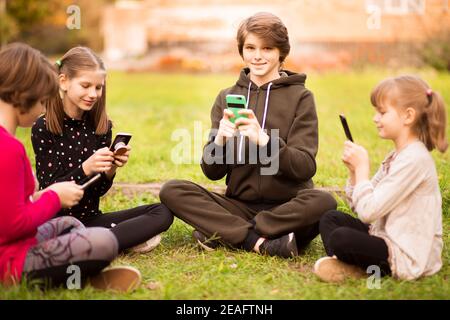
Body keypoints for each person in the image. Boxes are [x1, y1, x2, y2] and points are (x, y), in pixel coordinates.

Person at [160, 12, 337, 258]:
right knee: (172, 190)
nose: (257, 55)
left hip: (286, 208)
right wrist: (220, 140)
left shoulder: (301, 98)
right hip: (239, 206)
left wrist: (264, 140)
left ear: (281, 53)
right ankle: (264, 242)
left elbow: (305, 167)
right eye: (250, 47)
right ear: (242, 50)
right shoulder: (226, 96)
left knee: (323, 202)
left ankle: (228, 233)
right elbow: (212, 173)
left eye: (267, 48)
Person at [0, 43, 140, 291]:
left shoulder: (9, 144)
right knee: (105, 241)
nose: (45, 106)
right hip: (9, 262)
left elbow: (17, 207)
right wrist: (54, 197)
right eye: (43, 99)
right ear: (23, 94)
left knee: (72, 226)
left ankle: (73, 273)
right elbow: (13, 226)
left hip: (21, 242)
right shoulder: (8, 149)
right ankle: (75, 277)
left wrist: (42, 195)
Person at [32, 46, 173, 254]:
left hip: (91, 220)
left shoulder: (101, 126)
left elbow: (98, 192)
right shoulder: (44, 127)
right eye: (85, 86)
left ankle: (97, 242)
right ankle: (112, 241)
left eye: (98, 88)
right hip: (56, 224)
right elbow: (49, 194)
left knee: (161, 212)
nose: (93, 94)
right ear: (63, 82)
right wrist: (86, 168)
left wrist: (110, 170)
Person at [314, 75, 447, 282]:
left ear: (408, 116)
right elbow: (359, 206)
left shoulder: (415, 160)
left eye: (382, 112)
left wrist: (363, 169)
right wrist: (354, 173)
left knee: (342, 238)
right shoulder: (395, 156)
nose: (375, 118)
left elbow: (368, 212)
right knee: (331, 219)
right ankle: (355, 265)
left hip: (405, 252)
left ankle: (359, 268)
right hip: (385, 234)